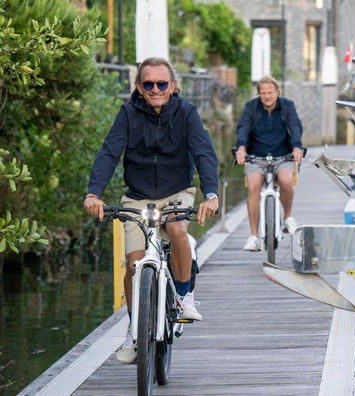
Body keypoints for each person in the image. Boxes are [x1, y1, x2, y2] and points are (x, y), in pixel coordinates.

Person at [84, 57, 219, 364]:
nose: (155, 89)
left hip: (177, 192)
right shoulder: (127, 114)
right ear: (139, 87)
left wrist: (211, 194)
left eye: (162, 83)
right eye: (148, 84)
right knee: (133, 264)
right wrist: (94, 193)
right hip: (138, 196)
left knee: (176, 229)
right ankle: (134, 329)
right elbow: (109, 153)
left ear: (173, 85)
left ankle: (184, 296)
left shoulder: (187, 113)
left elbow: (204, 154)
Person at [234, 75, 305, 252]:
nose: (267, 96)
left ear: (277, 92)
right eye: (263, 93)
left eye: (270, 92)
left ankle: (288, 217)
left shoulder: (287, 106)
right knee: (253, 187)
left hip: (283, 156)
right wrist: (241, 149)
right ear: (259, 94)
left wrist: (297, 147)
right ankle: (254, 237)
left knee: (287, 182)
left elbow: (295, 126)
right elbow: (243, 127)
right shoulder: (251, 107)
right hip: (256, 157)